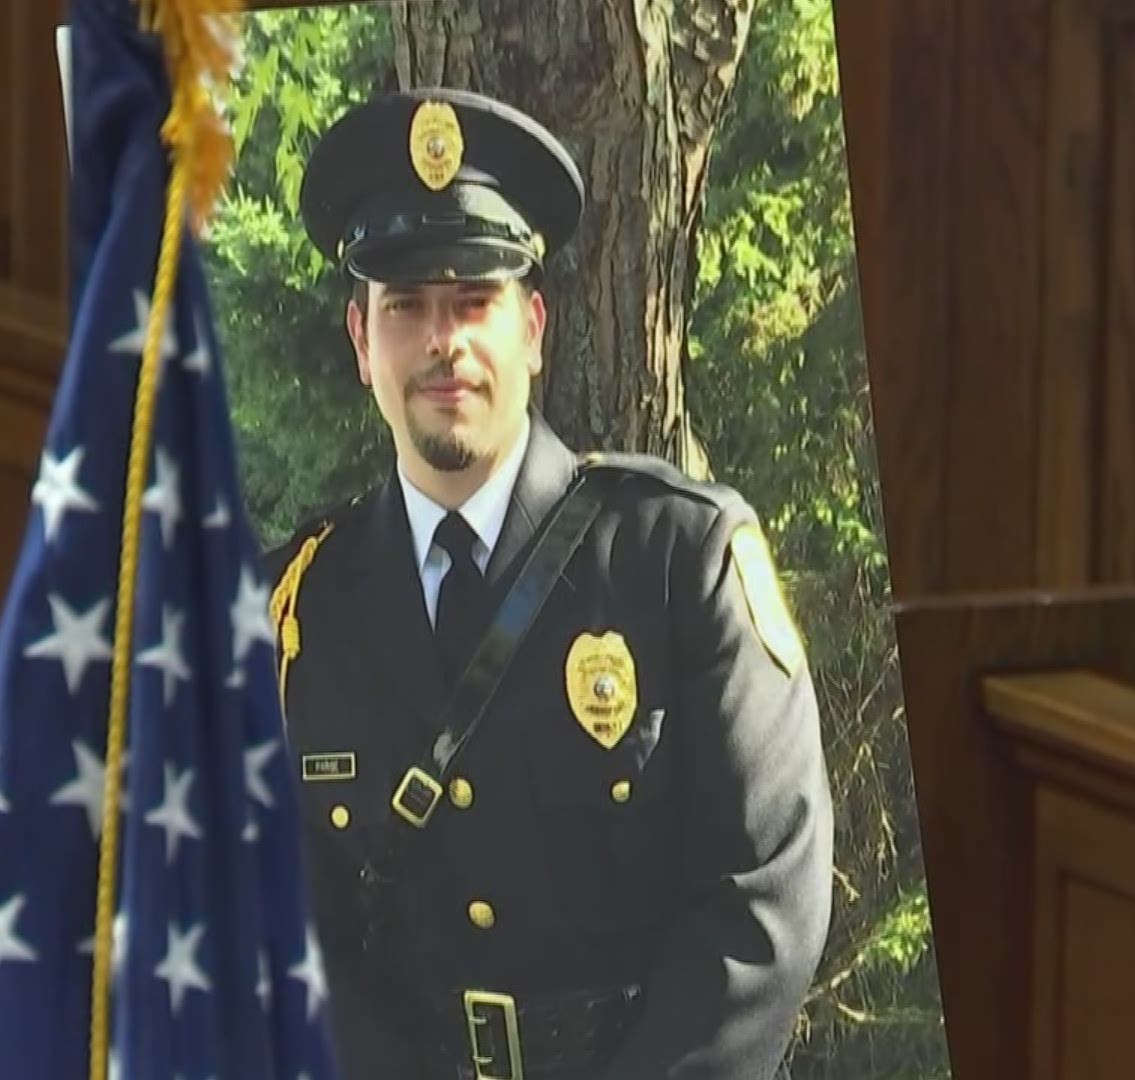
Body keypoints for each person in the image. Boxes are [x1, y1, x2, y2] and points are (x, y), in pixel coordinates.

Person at [262, 87, 833, 1080]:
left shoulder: (678, 561)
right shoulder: (297, 614)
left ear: (532, 328)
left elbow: (764, 904)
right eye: (408, 307)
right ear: (363, 343)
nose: (446, 343)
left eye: (474, 300)